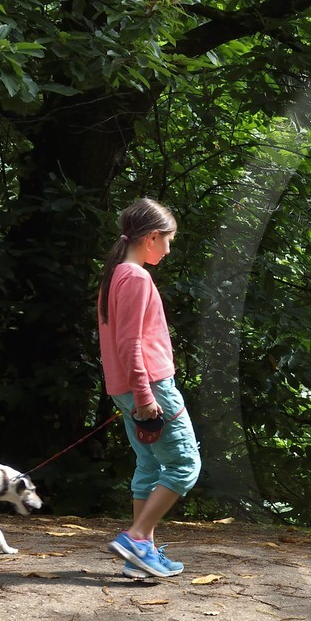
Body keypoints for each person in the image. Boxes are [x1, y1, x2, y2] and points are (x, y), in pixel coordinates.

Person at [97, 197, 200, 578]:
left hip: (127, 387)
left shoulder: (115, 273)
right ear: (153, 237)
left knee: (150, 464)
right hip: (150, 387)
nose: (169, 249)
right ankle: (137, 537)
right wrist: (145, 397)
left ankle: (141, 559)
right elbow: (130, 343)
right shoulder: (136, 277)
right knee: (185, 465)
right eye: (169, 240)